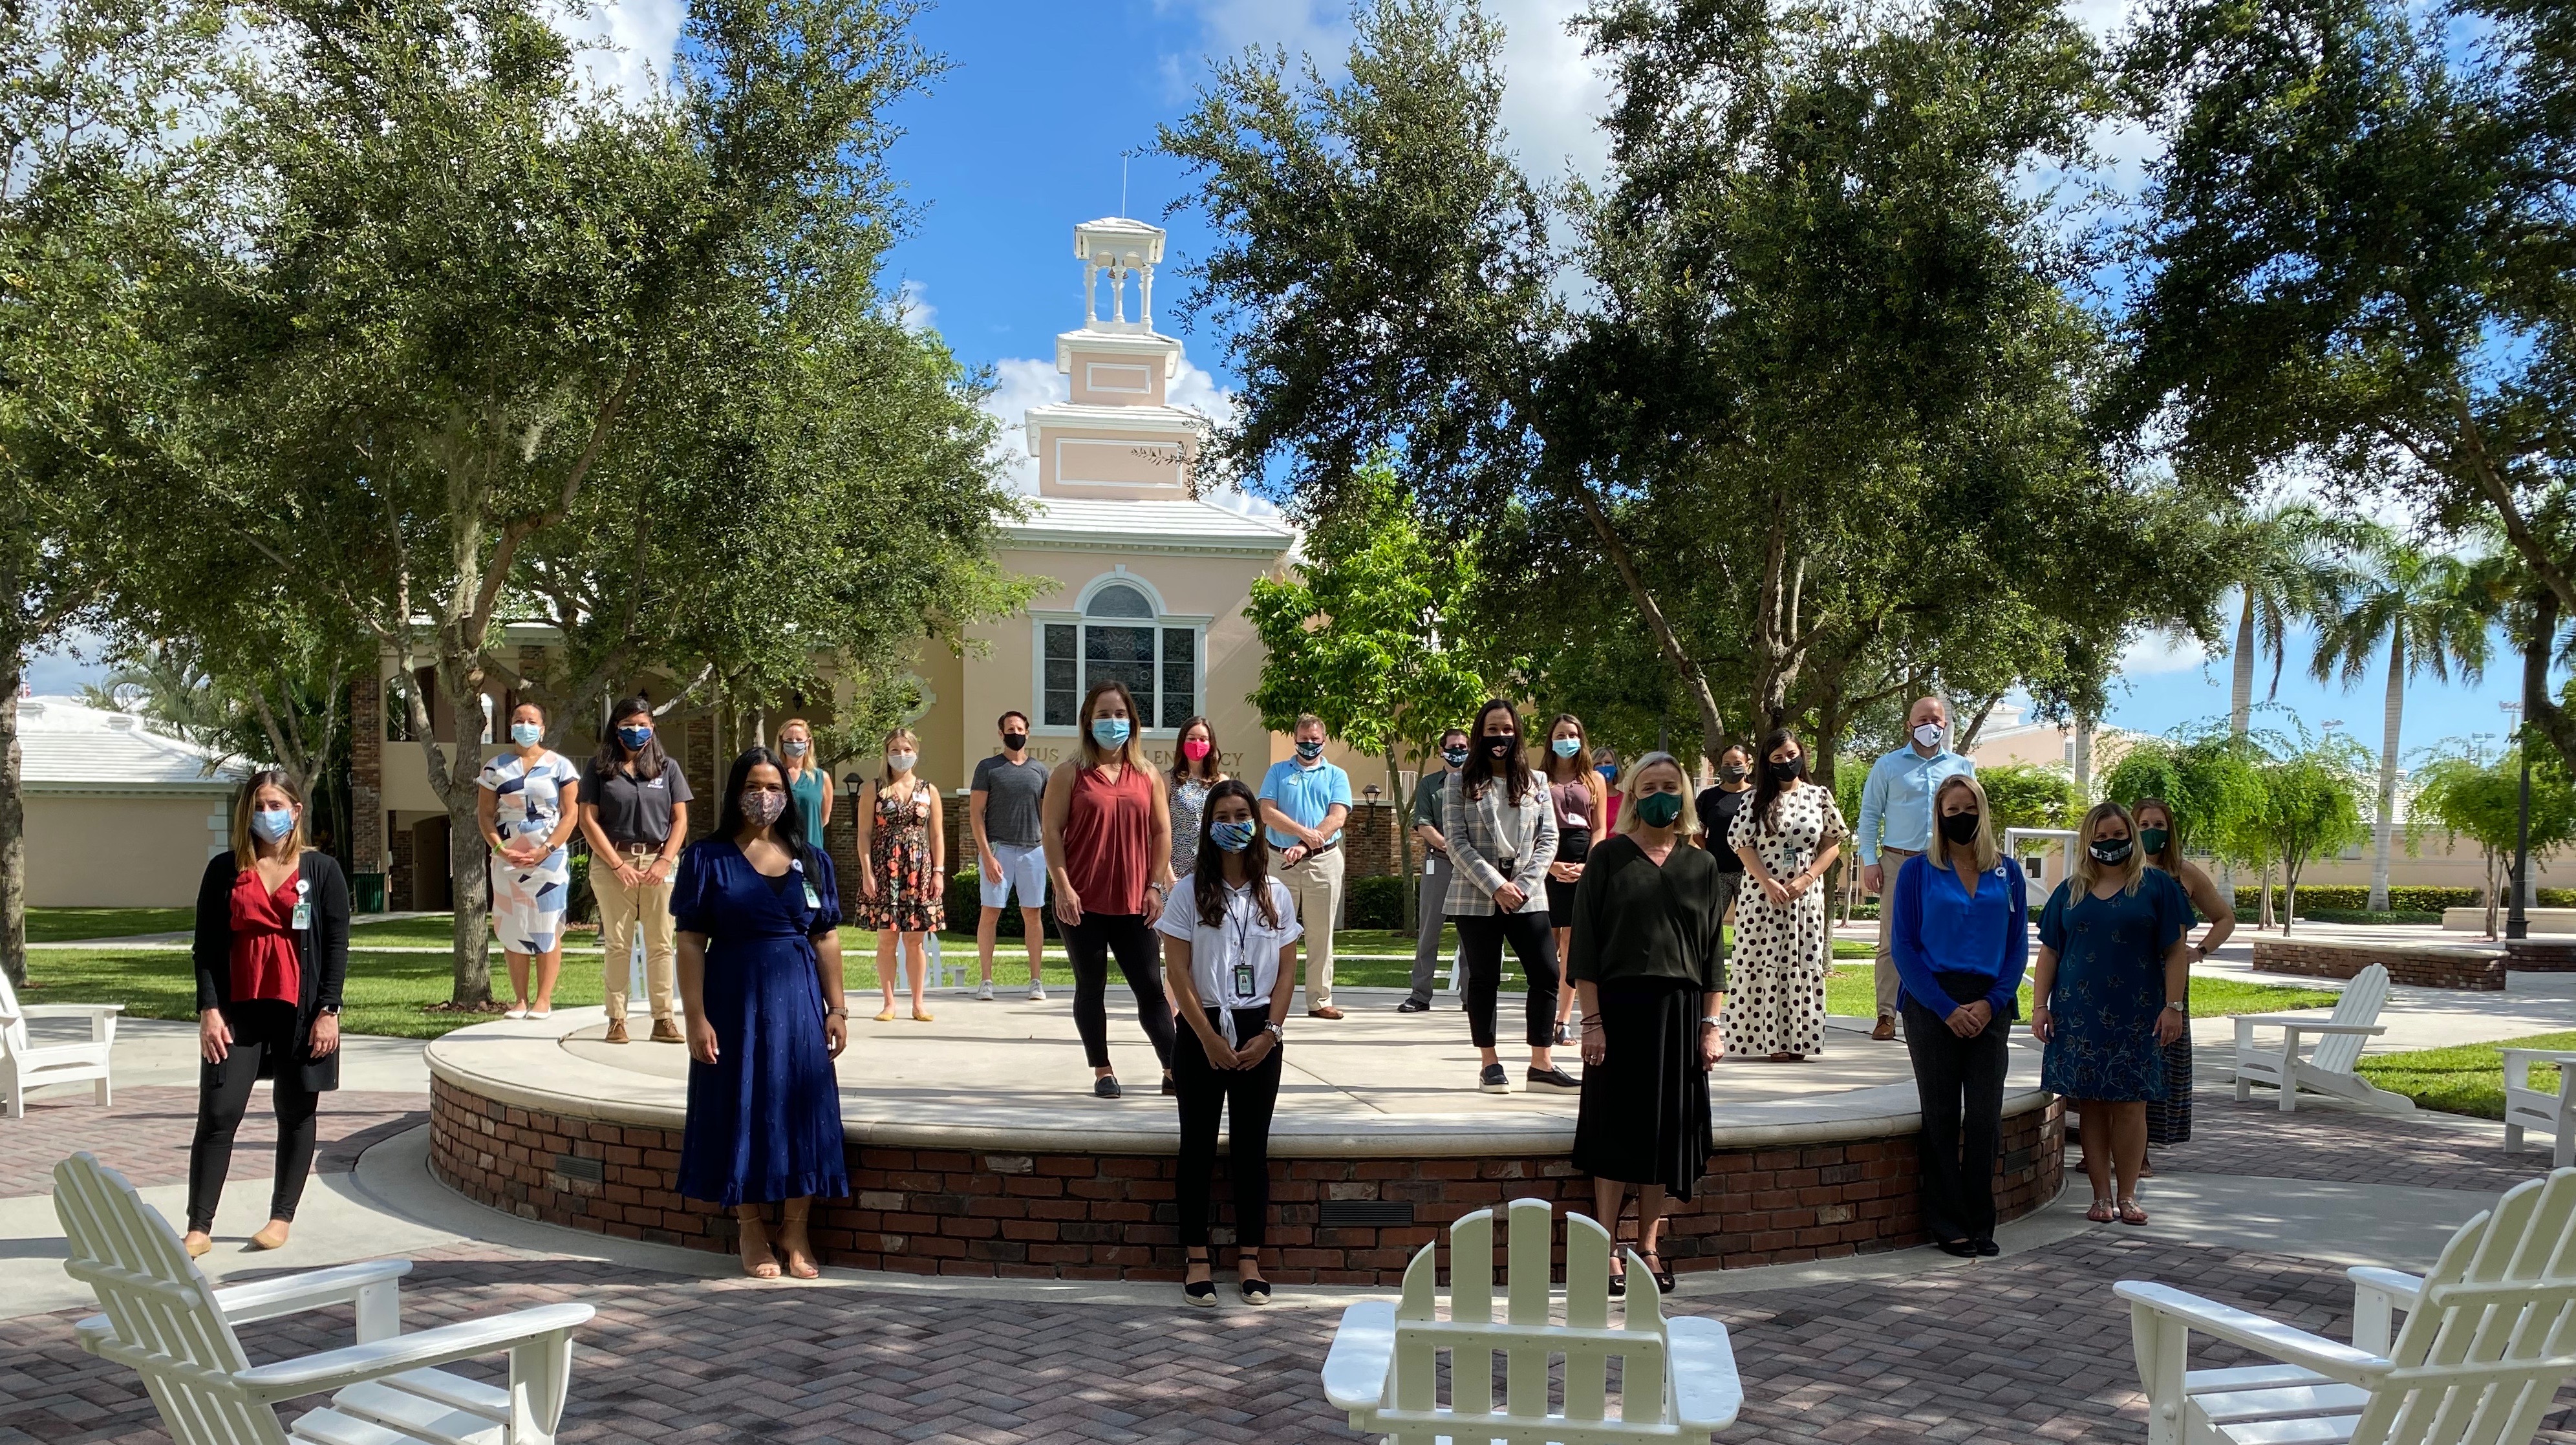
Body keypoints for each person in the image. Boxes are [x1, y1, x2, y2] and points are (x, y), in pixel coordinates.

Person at [674, 747, 850, 1279]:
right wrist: (696, 1017)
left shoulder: (812, 861)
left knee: (804, 1108)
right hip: (733, 999)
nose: (765, 796)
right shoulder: (706, 858)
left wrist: (838, 1007)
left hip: (798, 1001)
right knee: (738, 1102)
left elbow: (827, 937)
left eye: (775, 787)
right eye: (755, 785)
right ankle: (750, 1225)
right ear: (735, 792)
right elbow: (688, 942)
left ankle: (796, 1228)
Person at [1568, 753, 1726, 1297]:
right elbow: (1585, 949)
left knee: (1664, 1135)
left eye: (1669, 786)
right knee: (1613, 1129)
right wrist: (1591, 1020)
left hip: (1679, 1015)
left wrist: (1711, 1024)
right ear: (1632, 795)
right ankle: (1605, 1244)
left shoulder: (1700, 865)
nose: (1659, 795)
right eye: (1649, 786)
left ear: (1682, 795)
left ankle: (1649, 1244)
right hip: (1617, 1009)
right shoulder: (1608, 858)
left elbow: (1712, 956)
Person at [182, 771, 350, 1258]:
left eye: (277, 803)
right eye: (259, 804)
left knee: (296, 1112)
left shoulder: (322, 872)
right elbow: (207, 949)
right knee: (218, 1112)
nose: (267, 813)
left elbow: (337, 943)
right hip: (239, 1012)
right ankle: (199, 1226)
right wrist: (209, 1009)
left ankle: (280, 1217)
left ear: (296, 810)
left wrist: (329, 1010)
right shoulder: (224, 870)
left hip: (300, 1012)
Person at [1155, 779, 1298, 1307]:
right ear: (1209, 824)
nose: (1234, 823)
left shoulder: (1275, 893)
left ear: (1255, 825)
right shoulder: (1188, 891)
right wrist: (1207, 1036)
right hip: (1202, 1030)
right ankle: (1196, 1256)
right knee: (1196, 1146)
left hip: (1260, 1031)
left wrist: (1271, 1034)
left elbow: (1286, 973)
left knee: (1250, 1150)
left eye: (1243, 814)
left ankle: (1249, 1258)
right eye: (1224, 815)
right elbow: (1176, 969)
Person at [2032, 800, 2193, 1227]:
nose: (2110, 843)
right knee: (2092, 1107)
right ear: (2088, 841)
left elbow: (2176, 952)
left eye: (2118, 835)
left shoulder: (2158, 887)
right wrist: (2039, 1007)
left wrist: (2173, 1007)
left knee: (2131, 1106)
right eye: (2101, 837)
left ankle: (2128, 1194)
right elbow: (2049, 951)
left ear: (2132, 838)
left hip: (2138, 1014)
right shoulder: (2070, 890)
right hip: (2078, 1015)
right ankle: (2100, 1195)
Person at [1889, 774, 2029, 1258]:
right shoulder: (1917, 872)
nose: (1962, 815)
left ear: (1983, 811)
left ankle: (1979, 1219)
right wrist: (1946, 1008)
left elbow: (2017, 948)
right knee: (1942, 1116)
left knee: (1986, 1117)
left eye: (1970, 807)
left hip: (1991, 1002)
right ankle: (1947, 1222)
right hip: (1932, 1004)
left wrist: (1991, 1002)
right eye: (1952, 809)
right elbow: (1903, 948)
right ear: (1939, 815)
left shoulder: (2007, 873)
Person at [1042, 680, 1179, 1098]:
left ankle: (1174, 1068)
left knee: (1151, 988)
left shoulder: (1148, 774)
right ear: (1088, 721)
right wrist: (1062, 886)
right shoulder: (1069, 773)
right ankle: (1102, 1069)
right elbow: (1050, 831)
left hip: (1135, 901)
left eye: (1120, 714)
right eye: (1104, 714)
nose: (1112, 722)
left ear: (1132, 722)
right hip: (1080, 902)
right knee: (1091, 985)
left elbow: (1161, 832)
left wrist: (1156, 886)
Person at [1444, 700, 1580, 1095]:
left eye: (1506, 729)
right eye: (1491, 730)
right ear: (1479, 734)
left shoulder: (1537, 781)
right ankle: (1490, 1064)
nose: (1499, 737)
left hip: (1528, 893)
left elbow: (1548, 838)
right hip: (1476, 893)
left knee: (1546, 973)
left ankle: (1541, 1064)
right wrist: (1496, 886)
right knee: (1484, 978)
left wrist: (1523, 884)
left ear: (1517, 732)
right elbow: (1456, 842)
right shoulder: (1459, 782)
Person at [1721, 727, 1847, 1062]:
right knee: (1761, 965)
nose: (1786, 762)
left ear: (1802, 755)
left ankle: (1799, 1041)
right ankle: (1767, 1041)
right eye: (1778, 758)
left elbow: (1833, 843)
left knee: (1801, 964)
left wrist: (1806, 879)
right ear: (1766, 762)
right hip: (1761, 896)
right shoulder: (1753, 799)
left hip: (1804, 897)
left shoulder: (1820, 795)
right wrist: (1767, 882)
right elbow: (1741, 844)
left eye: (1791, 755)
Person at [1856, 696, 1977, 1042]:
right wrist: (1869, 860)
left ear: (1946, 725)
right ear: (1909, 724)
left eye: (1937, 720)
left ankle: (1942, 1010)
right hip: (1897, 860)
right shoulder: (1888, 765)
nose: (1930, 725)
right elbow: (1870, 815)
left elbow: (1974, 815)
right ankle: (1886, 1015)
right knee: (1893, 941)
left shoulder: (1961, 767)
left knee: (1946, 938)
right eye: (1922, 719)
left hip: (1946, 861)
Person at [579, 696, 692, 1045]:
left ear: (653, 728)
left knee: (661, 943)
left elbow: (680, 820)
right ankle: (616, 1019)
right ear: (617, 728)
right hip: (615, 863)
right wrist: (616, 864)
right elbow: (587, 820)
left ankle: (664, 1019)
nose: (637, 731)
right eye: (630, 725)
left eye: (643, 725)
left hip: (660, 862)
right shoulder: (600, 769)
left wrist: (664, 861)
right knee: (618, 944)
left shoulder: (667, 768)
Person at [2134, 797, 2235, 1149]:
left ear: (2170, 830)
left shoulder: (2184, 873)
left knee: (2160, 1059)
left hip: (2169, 981)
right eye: (2144, 825)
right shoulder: (2120, 870)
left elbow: (2225, 918)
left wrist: (2200, 951)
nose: (2151, 832)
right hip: (2124, 977)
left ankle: (2143, 1149)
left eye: (2159, 826)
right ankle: (2104, 1147)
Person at [478, 701, 581, 1019]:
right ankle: (520, 999)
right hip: (508, 858)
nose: (525, 725)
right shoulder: (494, 767)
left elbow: (571, 814)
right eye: (518, 720)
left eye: (531, 720)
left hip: (548, 859)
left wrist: (546, 850)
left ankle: (543, 999)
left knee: (547, 926)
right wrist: (498, 848)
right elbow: (484, 814)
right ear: (510, 725)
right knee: (514, 926)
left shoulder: (560, 766)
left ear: (543, 727)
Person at [1257, 714, 1353, 1020]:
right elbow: (1267, 812)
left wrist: (1307, 844)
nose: (1309, 744)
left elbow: (1337, 817)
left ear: (1324, 741)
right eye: (1304, 738)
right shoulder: (1278, 771)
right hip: (1278, 860)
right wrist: (1302, 834)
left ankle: (1320, 1000)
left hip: (1323, 862)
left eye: (1315, 739)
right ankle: (1265, 998)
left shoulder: (1336, 774)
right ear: (1295, 739)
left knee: (1320, 933)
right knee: (1272, 931)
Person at [856, 727, 943, 1023]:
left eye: (907, 750)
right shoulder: (874, 789)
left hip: (919, 871)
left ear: (916, 752)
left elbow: (937, 835)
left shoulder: (928, 790)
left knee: (915, 941)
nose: (901, 755)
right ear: (886, 753)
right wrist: (867, 872)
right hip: (885, 870)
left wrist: (939, 872)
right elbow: (864, 834)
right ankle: (889, 1002)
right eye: (895, 750)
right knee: (887, 940)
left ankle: (919, 1003)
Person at [971, 711, 1053, 1003]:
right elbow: (976, 814)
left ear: (1027, 733)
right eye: (1009, 728)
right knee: (990, 913)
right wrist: (987, 855)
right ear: (1000, 733)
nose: (1015, 732)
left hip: (1033, 850)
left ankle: (1035, 981)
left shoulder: (1040, 771)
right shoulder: (988, 768)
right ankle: (986, 981)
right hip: (998, 850)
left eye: (1019, 728)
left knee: (1033, 914)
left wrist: (1051, 851)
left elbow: (1047, 816)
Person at [1540, 714, 1608, 1044]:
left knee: (1572, 941)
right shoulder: (1536, 778)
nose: (1566, 739)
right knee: (1545, 940)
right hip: (1544, 860)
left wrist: (1589, 865)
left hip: (1583, 861)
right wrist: (1550, 864)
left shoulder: (1594, 779)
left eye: (1572, 734)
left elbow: (1599, 828)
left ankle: (1563, 1019)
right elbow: (1530, 828)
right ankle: (1542, 1009)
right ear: (1550, 740)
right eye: (1560, 734)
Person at [1401, 727, 1471, 1014]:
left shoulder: (1479, 782)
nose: (1458, 750)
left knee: (1470, 934)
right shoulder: (1430, 784)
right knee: (1429, 931)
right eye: (1452, 746)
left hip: (1472, 867)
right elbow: (1423, 823)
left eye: (1463, 746)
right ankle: (1420, 995)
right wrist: (1451, 849)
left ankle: (1471, 997)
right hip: (1438, 863)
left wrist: (1467, 855)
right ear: (1441, 750)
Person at [1692, 743, 1754, 928]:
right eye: (1727, 764)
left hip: (1750, 873)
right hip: (1719, 872)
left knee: (1750, 926)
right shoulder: (1708, 797)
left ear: (1747, 766)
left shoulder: (1757, 796)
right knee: (1710, 925)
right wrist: (1711, 853)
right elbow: (1697, 833)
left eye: (1737, 763)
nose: (1732, 767)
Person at [1166, 715, 1227, 879]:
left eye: (1203, 739)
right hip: (1175, 870)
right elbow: (1157, 832)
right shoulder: (1168, 781)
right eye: (1191, 738)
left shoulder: (1222, 782)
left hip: (1211, 868)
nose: (1197, 743)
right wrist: (1169, 879)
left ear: (1211, 744)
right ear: (1182, 742)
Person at [777, 718, 834, 856]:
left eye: (799, 739)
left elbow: (824, 819)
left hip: (812, 854)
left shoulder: (821, 778)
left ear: (808, 742)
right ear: (781, 742)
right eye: (789, 740)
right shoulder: (775, 776)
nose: (794, 743)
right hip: (779, 854)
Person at [1594, 746, 1625, 831]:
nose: (1603, 766)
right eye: (1598, 764)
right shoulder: (1585, 798)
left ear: (1616, 768)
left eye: (1608, 762)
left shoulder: (1626, 800)